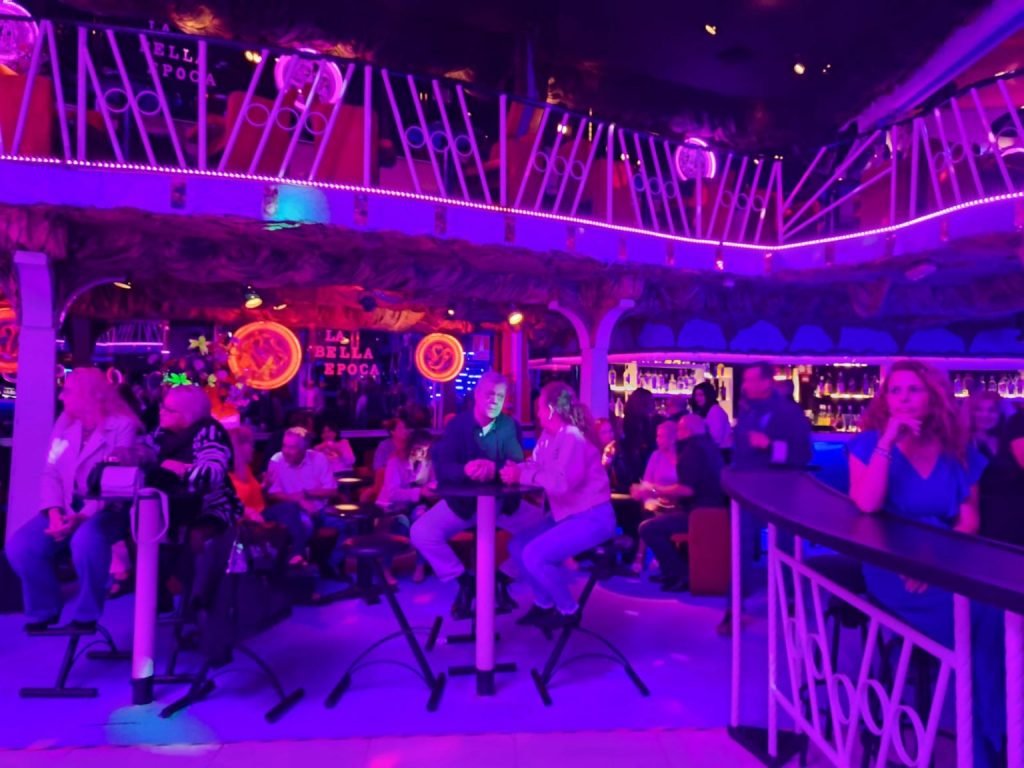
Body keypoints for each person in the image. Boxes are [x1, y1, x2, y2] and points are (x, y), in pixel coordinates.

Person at [848, 360, 1004, 768]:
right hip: (891, 563)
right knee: (984, 630)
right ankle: (994, 742)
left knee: (994, 618)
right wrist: (888, 441)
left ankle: (990, 739)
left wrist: (937, 559)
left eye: (913, 390)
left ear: (932, 397)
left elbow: (969, 520)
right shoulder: (868, 444)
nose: (903, 398)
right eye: (895, 390)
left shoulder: (957, 448)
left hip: (945, 558)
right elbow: (867, 504)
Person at [8, 368, 143, 632]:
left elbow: (113, 481)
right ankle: (44, 610)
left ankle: (87, 614)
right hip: (68, 505)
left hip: (108, 506)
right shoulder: (65, 424)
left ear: (88, 395)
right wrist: (54, 512)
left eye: (67, 391)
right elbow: (51, 471)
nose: (61, 396)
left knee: (86, 540)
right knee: (21, 547)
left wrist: (81, 517)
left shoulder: (122, 426)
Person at [410, 372, 544, 619]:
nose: (494, 400)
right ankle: (465, 582)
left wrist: (495, 468)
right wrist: (466, 470)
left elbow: (516, 464)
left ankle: (503, 577)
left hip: (503, 505)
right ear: (477, 395)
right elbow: (443, 466)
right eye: (489, 394)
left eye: (500, 396)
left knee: (545, 528)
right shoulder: (457, 426)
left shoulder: (511, 426)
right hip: (463, 505)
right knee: (421, 533)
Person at [500, 381, 616, 629]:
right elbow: (536, 466)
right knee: (518, 546)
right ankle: (543, 602)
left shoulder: (573, 437)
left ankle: (568, 610)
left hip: (593, 517)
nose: (538, 414)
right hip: (567, 515)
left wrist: (521, 476)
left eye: (540, 408)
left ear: (552, 409)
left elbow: (562, 483)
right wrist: (516, 469)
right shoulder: (548, 437)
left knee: (534, 555)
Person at [725, 362, 813, 635]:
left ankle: (790, 600)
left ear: (767, 382)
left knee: (785, 546)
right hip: (746, 488)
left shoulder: (789, 412)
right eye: (745, 380)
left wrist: (770, 446)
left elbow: (802, 454)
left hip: (779, 490)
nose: (745, 385)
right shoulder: (746, 410)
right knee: (739, 546)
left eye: (751, 380)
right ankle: (735, 605)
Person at [638, 414, 725, 592]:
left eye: (678, 430)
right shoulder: (711, 447)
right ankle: (674, 570)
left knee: (647, 528)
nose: (677, 435)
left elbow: (687, 489)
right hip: (716, 511)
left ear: (687, 431)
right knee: (660, 519)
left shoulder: (691, 451)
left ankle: (678, 573)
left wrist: (655, 490)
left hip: (699, 515)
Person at [262, 427, 342, 570]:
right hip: (293, 512)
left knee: (344, 525)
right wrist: (297, 500)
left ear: (304, 449)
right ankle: (301, 565)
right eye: (284, 446)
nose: (286, 451)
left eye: (292, 447)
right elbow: (272, 494)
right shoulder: (276, 460)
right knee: (304, 522)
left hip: (320, 510)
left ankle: (329, 566)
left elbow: (332, 490)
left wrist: (307, 494)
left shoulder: (319, 459)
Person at [377, 428, 434, 583]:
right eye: (419, 448)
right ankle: (385, 569)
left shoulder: (428, 463)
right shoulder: (395, 461)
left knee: (424, 522)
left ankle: (420, 566)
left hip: (414, 505)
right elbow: (392, 494)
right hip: (391, 507)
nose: (422, 452)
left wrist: (432, 488)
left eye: (426, 449)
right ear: (410, 446)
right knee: (400, 524)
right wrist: (420, 492)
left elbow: (432, 482)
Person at [968, 390, 1024, 548]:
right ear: (971, 414)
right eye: (979, 410)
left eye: (991, 410)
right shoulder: (964, 444)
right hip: (986, 518)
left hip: (1017, 515)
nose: (985, 415)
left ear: (999, 414)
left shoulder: (1009, 440)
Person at [628, 419, 682, 573]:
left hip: (676, 501)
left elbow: (682, 485)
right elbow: (647, 482)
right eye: (657, 436)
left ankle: (658, 557)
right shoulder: (655, 456)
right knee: (649, 510)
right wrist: (643, 491)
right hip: (656, 498)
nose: (658, 440)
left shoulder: (682, 457)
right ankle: (640, 556)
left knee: (661, 513)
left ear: (673, 438)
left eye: (661, 436)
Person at [229, 425, 265, 523]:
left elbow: (252, 493)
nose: (253, 449)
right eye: (251, 444)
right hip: (245, 522)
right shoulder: (226, 476)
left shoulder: (246, 468)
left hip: (261, 513)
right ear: (239, 447)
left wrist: (265, 484)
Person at [690, 381, 732, 453]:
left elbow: (716, 438)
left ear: (708, 395)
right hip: (713, 451)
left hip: (721, 453)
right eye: (696, 395)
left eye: (701, 395)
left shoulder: (715, 411)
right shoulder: (702, 411)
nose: (697, 398)